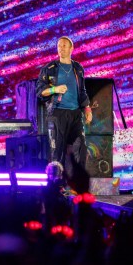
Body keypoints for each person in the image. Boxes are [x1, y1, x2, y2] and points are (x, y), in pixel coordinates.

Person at [36, 36, 92, 182]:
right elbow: (40, 92)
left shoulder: (78, 68)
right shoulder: (49, 69)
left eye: (64, 45)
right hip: (57, 114)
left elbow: (82, 91)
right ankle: (55, 185)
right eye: (59, 45)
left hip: (75, 114)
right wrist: (54, 89)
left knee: (81, 147)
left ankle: (79, 184)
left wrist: (87, 108)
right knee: (57, 151)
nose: (61, 48)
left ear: (71, 48)